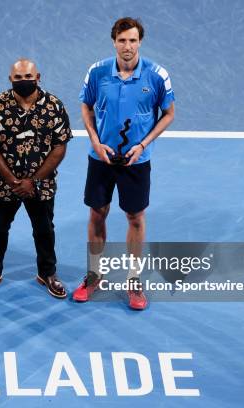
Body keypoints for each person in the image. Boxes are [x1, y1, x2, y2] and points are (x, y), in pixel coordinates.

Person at [74, 17, 175, 310]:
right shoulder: (97, 72)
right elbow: (85, 105)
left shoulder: (157, 76)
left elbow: (168, 113)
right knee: (97, 213)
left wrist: (143, 144)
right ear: (114, 42)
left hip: (137, 160)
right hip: (102, 157)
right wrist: (94, 140)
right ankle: (95, 274)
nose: (127, 46)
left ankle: (134, 279)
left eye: (132, 40)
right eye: (122, 40)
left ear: (139, 41)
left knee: (135, 218)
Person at [0, 58, 72, 299]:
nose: (24, 81)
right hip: (4, 184)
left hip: (41, 185)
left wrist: (34, 181)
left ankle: (47, 274)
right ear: (11, 79)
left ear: (38, 77)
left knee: (44, 229)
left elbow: (60, 147)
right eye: (18, 78)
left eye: (28, 77)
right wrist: (12, 181)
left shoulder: (54, 106)